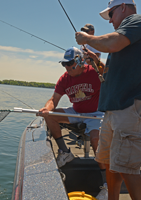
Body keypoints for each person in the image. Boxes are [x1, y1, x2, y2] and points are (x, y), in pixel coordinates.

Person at [75, 0, 141, 200]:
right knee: (111, 164)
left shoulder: (139, 22)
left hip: (131, 107)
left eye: (111, 14)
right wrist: (97, 62)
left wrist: (86, 38)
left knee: (128, 169)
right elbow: (112, 73)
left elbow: (112, 42)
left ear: (122, 7)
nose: (110, 21)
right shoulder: (126, 37)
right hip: (113, 111)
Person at [37, 47, 108, 199]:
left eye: (70, 64)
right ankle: (65, 152)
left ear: (80, 61)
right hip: (76, 112)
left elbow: (108, 72)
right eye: (64, 64)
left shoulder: (94, 72)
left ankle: (107, 185)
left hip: (96, 113)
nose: (67, 67)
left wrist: (97, 60)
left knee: (96, 139)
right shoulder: (64, 78)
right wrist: (47, 109)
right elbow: (53, 100)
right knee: (50, 116)